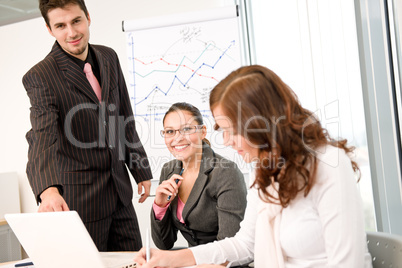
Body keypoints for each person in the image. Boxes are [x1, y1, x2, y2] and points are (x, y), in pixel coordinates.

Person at [134, 65, 373, 267]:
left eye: (231, 131)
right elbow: (245, 244)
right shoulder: (265, 171)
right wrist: (168, 259)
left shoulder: (330, 164)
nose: (226, 141)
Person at [23, 0, 152, 251]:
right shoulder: (40, 76)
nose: (71, 32)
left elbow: (123, 115)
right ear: (49, 29)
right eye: (60, 25)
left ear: (88, 17)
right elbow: (42, 135)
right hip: (82, 202)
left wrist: (140, 169)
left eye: (76, 21)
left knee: (135, 263)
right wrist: (47, 190)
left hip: (120, 193)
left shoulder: (108, 56)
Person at [151, 102, 247, 250]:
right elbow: (164, 244)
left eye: (187, 129)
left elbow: (230, 248)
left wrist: (184, 260)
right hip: (193, 261)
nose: (177, 138)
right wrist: (160, 205)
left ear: (202, 131)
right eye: (170, 131)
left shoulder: (226, 172)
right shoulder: (169, 170)